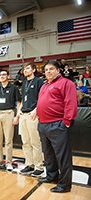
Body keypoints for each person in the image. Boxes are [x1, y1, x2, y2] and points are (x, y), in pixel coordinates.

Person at [37, 61, 77, 193]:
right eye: (46, 69)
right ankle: (51, 175)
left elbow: (70, 103)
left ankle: (65, 185)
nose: (48, 71)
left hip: (57, 124)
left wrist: (66, 121)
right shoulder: (44, 85)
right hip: (43, 124)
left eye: (51, 69)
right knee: (48, 155)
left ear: (58, 70)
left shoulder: (67, 83)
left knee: (62, 156)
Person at [16, 63, 44, 177]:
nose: (25, 70)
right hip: (23, 114)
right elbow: (23, 98)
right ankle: (29, 164)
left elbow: (42, 98)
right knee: (25, 142)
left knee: (35, 142)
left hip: (33, 115)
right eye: (24, 68)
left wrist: (36, 110)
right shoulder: (24, 83)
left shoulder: (39, 81)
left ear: (33, 70)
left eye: (27, 68)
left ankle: (39, 167)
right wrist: (19, 111)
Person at [0, 70, 21, 171]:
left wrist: (17, 116)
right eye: (0, 75)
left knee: (8, 140)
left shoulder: (14, 88)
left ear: (8, 76)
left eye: (4, 74)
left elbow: (18, 103)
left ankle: (8, 162)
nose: (2, 76)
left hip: (9, 113)